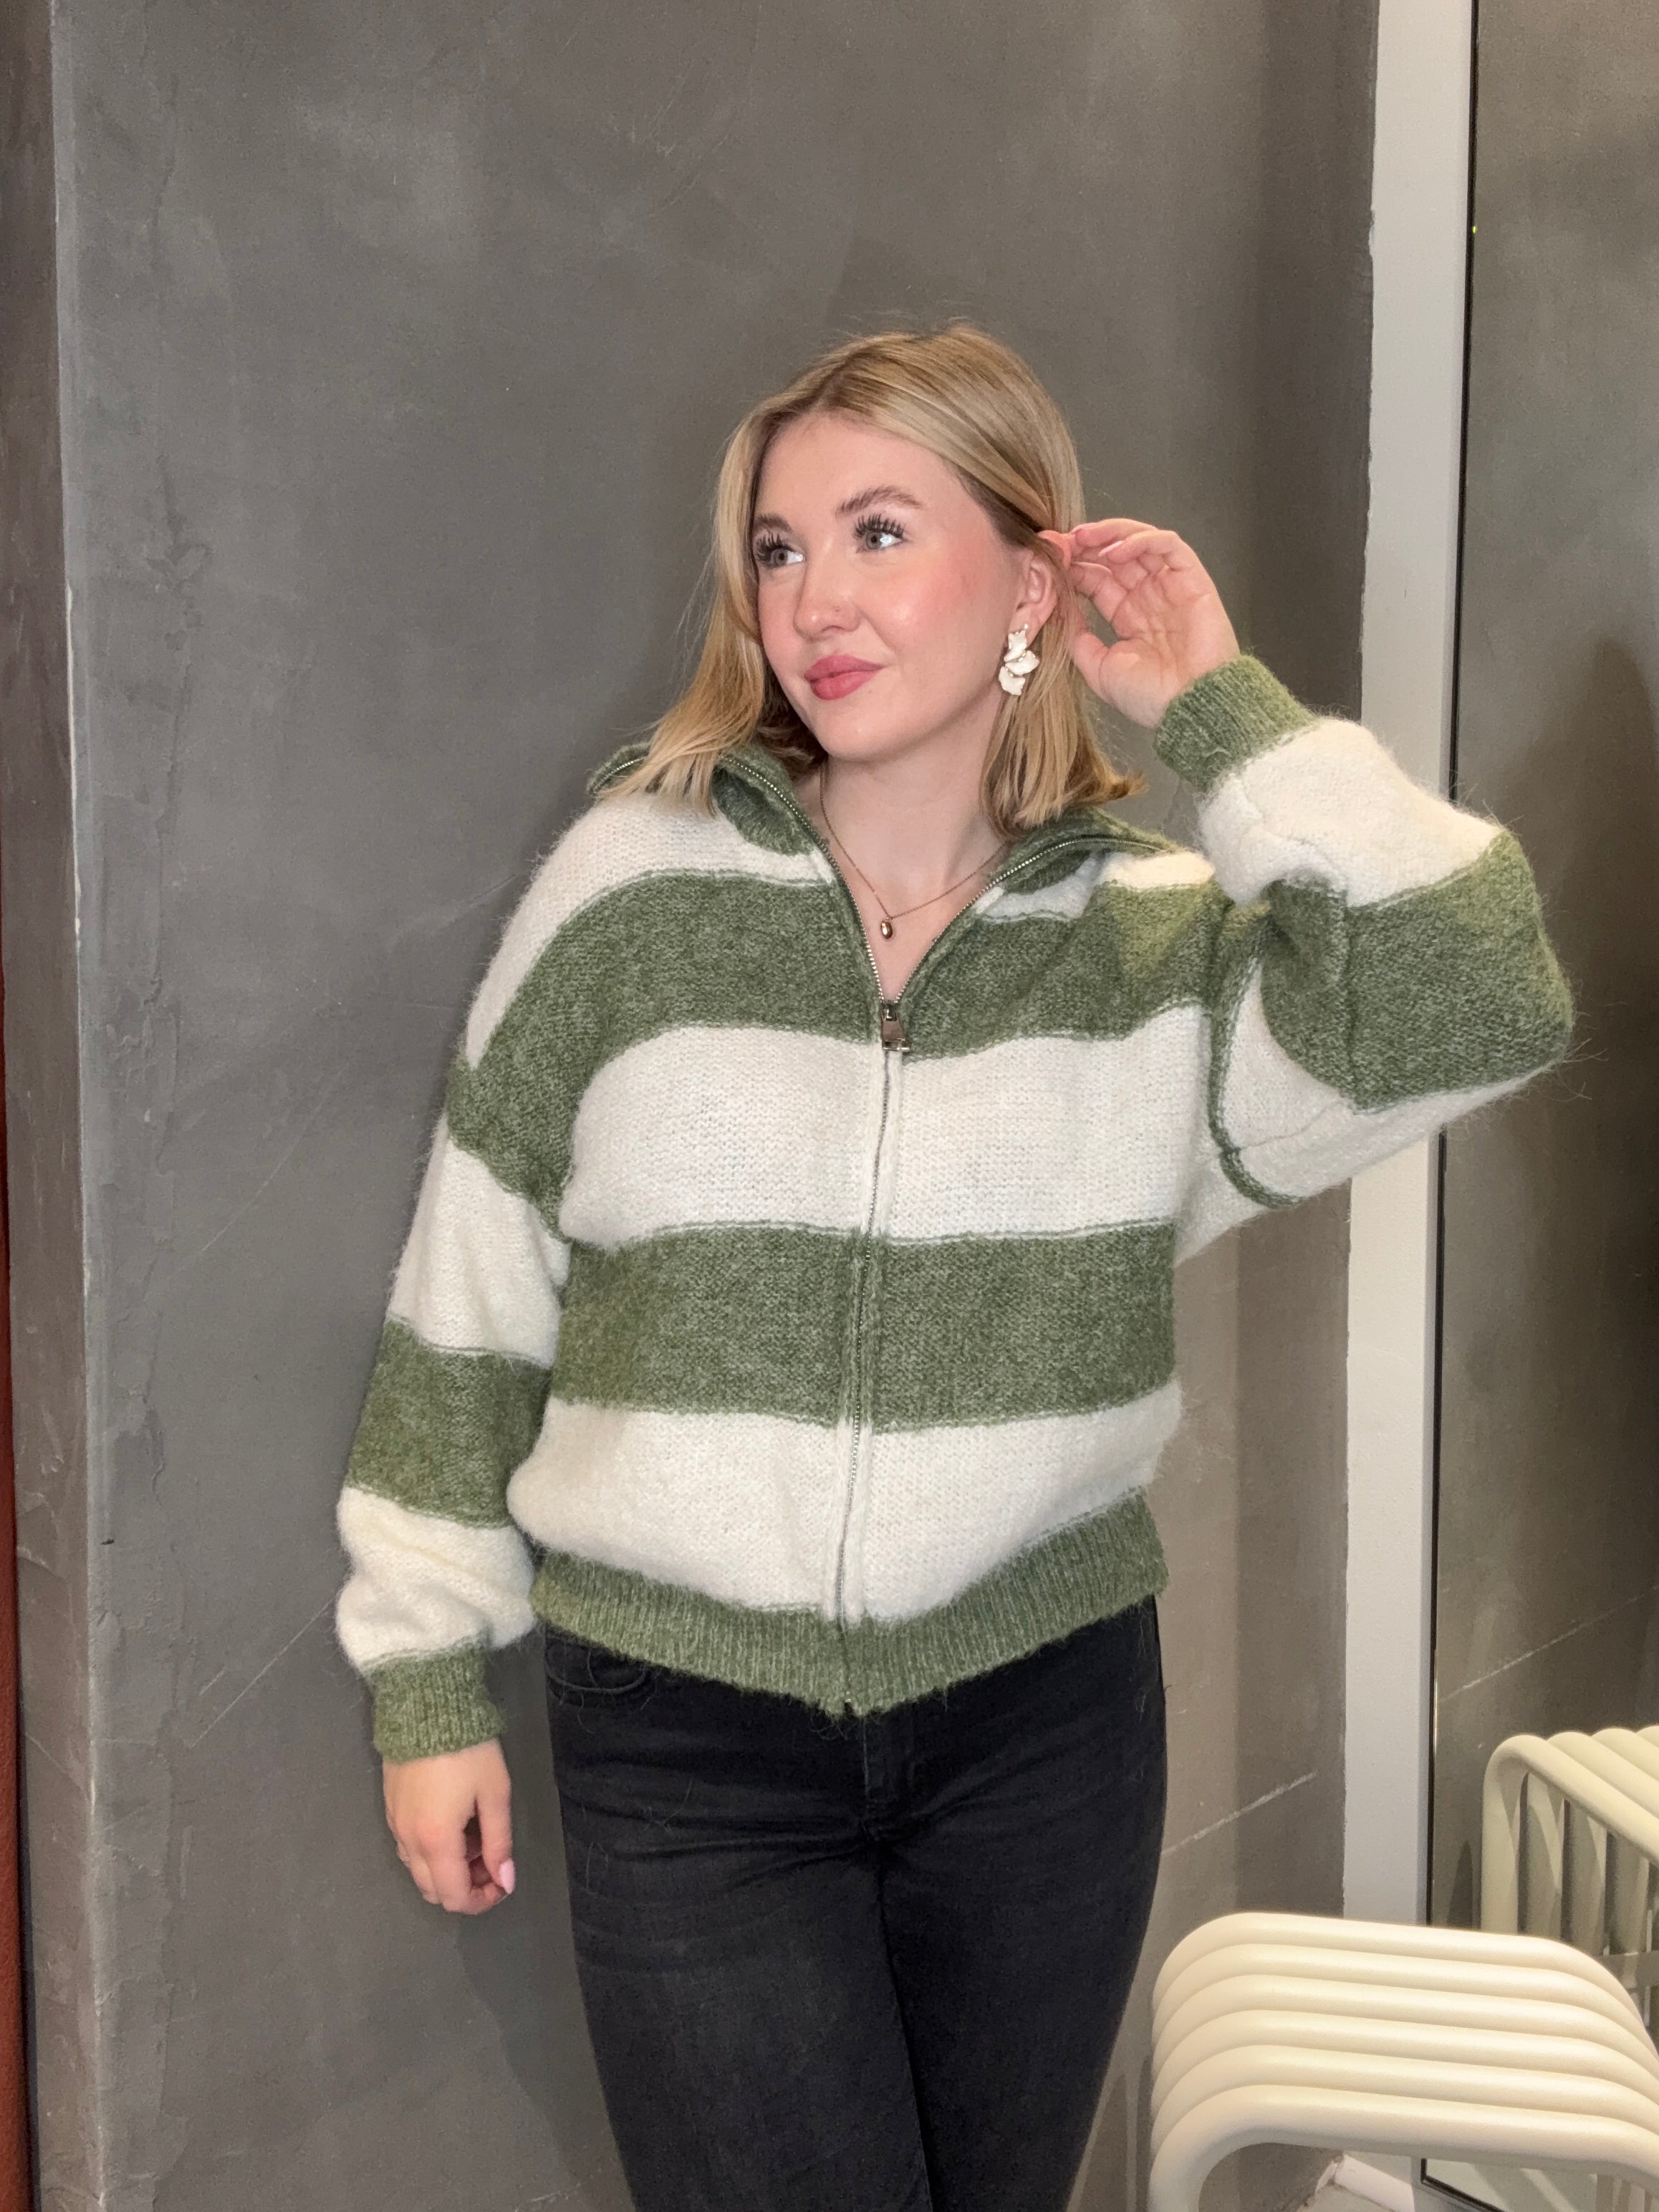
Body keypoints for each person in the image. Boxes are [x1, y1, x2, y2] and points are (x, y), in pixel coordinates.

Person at [332, 322, 1574, 2212]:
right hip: (689, 1747)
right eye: (778, 548)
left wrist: (1220, 713)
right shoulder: (631, 888)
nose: (813, 600)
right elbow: (472, 1291)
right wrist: (425, 1675)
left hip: (1042, 1738)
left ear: (1032, 579)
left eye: (879, 532)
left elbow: (1481, 995)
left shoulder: (1155, 949)